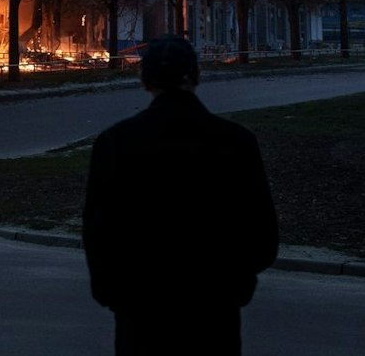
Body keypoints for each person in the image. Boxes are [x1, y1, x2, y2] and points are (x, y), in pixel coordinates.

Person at [82, 36, 277, 356]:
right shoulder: (235, 143)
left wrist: (113, 294)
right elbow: (262, 236)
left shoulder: (115, 143)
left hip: (141, 313)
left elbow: (99, 231)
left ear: (144, 80)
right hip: (213, 312)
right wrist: (236, 287)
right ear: (195, 76)